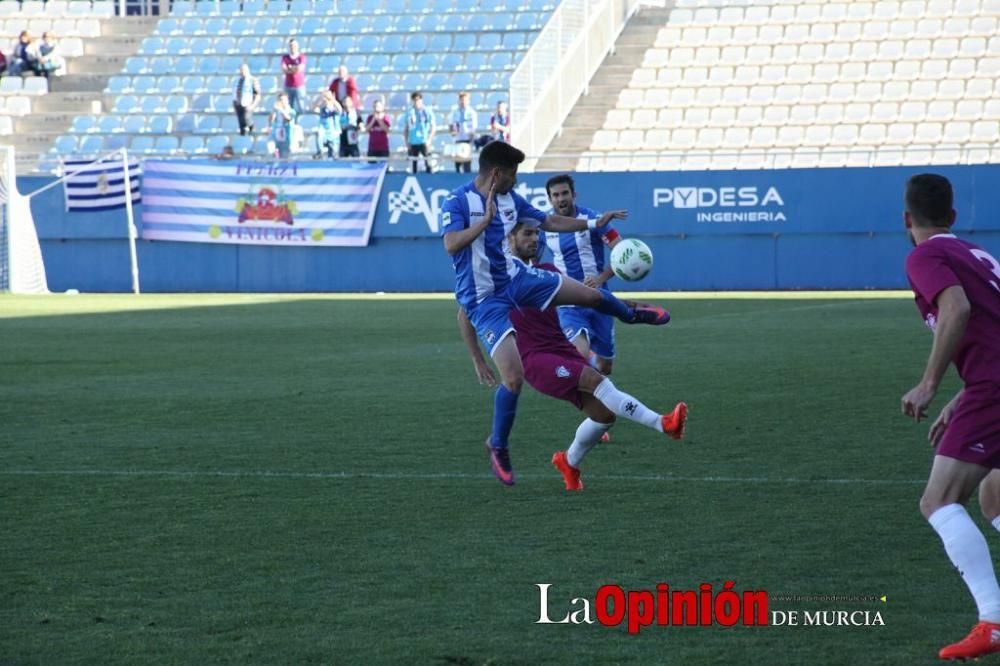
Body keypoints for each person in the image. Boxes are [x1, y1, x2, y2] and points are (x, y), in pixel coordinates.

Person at [442, 140, 671, 486]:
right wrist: (484, 223)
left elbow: (548, 221)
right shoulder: (457, 201)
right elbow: (451, 244)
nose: (516, 181)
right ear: (497, 173)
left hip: (516, 278)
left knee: (589, 296)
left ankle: (630, 314)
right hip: (483, 298)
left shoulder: (510, 200)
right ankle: (498, 445)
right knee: (513, 378)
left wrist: (593, 224)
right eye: (513, 174)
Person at [458, 222, 688, 490]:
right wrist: (477, 359)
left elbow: (589, 296)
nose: (534, 239)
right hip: (534, 360)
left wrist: (630, 306)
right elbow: (464, 313)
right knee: (594, 379)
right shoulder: (493, 280)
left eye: (536, 233)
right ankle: (665, 424)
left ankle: (569, 462)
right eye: (527, 234)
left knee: (604, 416)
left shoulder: (547, 273)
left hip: (561, 349)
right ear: (509, 239)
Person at [899, 173, 1000, 661]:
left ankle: (993, 621)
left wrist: (930, 384)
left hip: (996, 389)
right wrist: (963, 397)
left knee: (938, 500)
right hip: (990, 387)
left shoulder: (924, 255)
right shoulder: (977, 255)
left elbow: (955, 309)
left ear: (906, 219)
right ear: (953, 218)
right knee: (994, 498)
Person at [542, 174, 623, 377]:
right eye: (556, 195)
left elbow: (623, 254)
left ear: (574, 194)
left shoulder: (595, 220)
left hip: (600, 300)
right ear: (550, 199)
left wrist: (601, 278)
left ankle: (595, 386)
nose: (561, 199)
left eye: (564, 193)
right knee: (579, 356)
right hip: (568, 304)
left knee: (605, 368)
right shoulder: (544, 225)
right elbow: (531, 260)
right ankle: (591, 402)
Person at [404, 91, 435, 174]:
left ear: (421, 100)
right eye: (414, 100)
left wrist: (429, 140)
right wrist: (407, 142)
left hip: (424, 141)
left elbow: (433, 127)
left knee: (428, 163)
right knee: (413, 165)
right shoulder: (410, 112)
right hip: (413, 141)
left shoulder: (427, 111)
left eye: (418, 100)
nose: (416, 102)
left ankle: (430, 179)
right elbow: (406, 128)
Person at [449, 91, 477, 173]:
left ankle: (467, 178)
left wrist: (471, 139)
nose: (463, 102)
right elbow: (451, 125)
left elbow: (474, 127)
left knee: (466, 162)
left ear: (468, 101)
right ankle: (457, 179)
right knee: (457, 162)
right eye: (461, 100)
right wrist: (452, 132)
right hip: (457, 139)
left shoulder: (472, 113)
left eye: (465, 100)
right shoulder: (454, 112)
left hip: (467, 139)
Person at [232, 63, 261, 137]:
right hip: (238, 103)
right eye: (241, 70)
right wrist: (234, 104)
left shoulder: (253, 80)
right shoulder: (237, 80)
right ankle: (243, 135)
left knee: (246, 118)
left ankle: (252, 129)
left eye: (244, 70)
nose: (242, 72)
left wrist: (253, 105)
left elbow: (257, 94)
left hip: (248, 103)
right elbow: (234, 92)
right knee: (241, 123)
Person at [280, 38, 306, 115]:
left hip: (299, 85)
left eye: (294, 45)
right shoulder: (285, 57)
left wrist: (290, 68)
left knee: (301, 106)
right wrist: (294, 68)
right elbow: (284, 69)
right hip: (288, 85)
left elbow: (299, 69)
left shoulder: (301, 57)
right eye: (291, 45)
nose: (293, 47)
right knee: (288, 107)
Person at [312, 89, 341, 158]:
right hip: (324, 131)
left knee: (334, 152)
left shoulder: (334, 109)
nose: (326, 100)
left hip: (333, 132)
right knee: (319, 134)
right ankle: (320, 151)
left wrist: (332, 100)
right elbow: (313, 108)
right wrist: (320, 97)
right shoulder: (322, 109)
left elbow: (340, 110)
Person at [268, 92, 296, 159]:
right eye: (280, 100)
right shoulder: (276, 111)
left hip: (286, 137)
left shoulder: (291, 111)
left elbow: (288, 118)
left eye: (283, 99)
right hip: (276, 135)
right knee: (270, 146)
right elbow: (270, 121)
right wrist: (274, 111)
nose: (281, 102)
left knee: (284, 158)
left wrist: (281, 110)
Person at [365, 97, 391, 162]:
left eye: (378, 106)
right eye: (375, 106)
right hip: (372, 147)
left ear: (382, 107)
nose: (376, 108)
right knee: (371, 167)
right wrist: (374, 119)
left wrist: (379, 120)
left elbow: (387, 130)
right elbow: (367, 129)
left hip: (383, 147)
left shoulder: (386, 117)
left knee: (384, 166)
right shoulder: (370, 117)